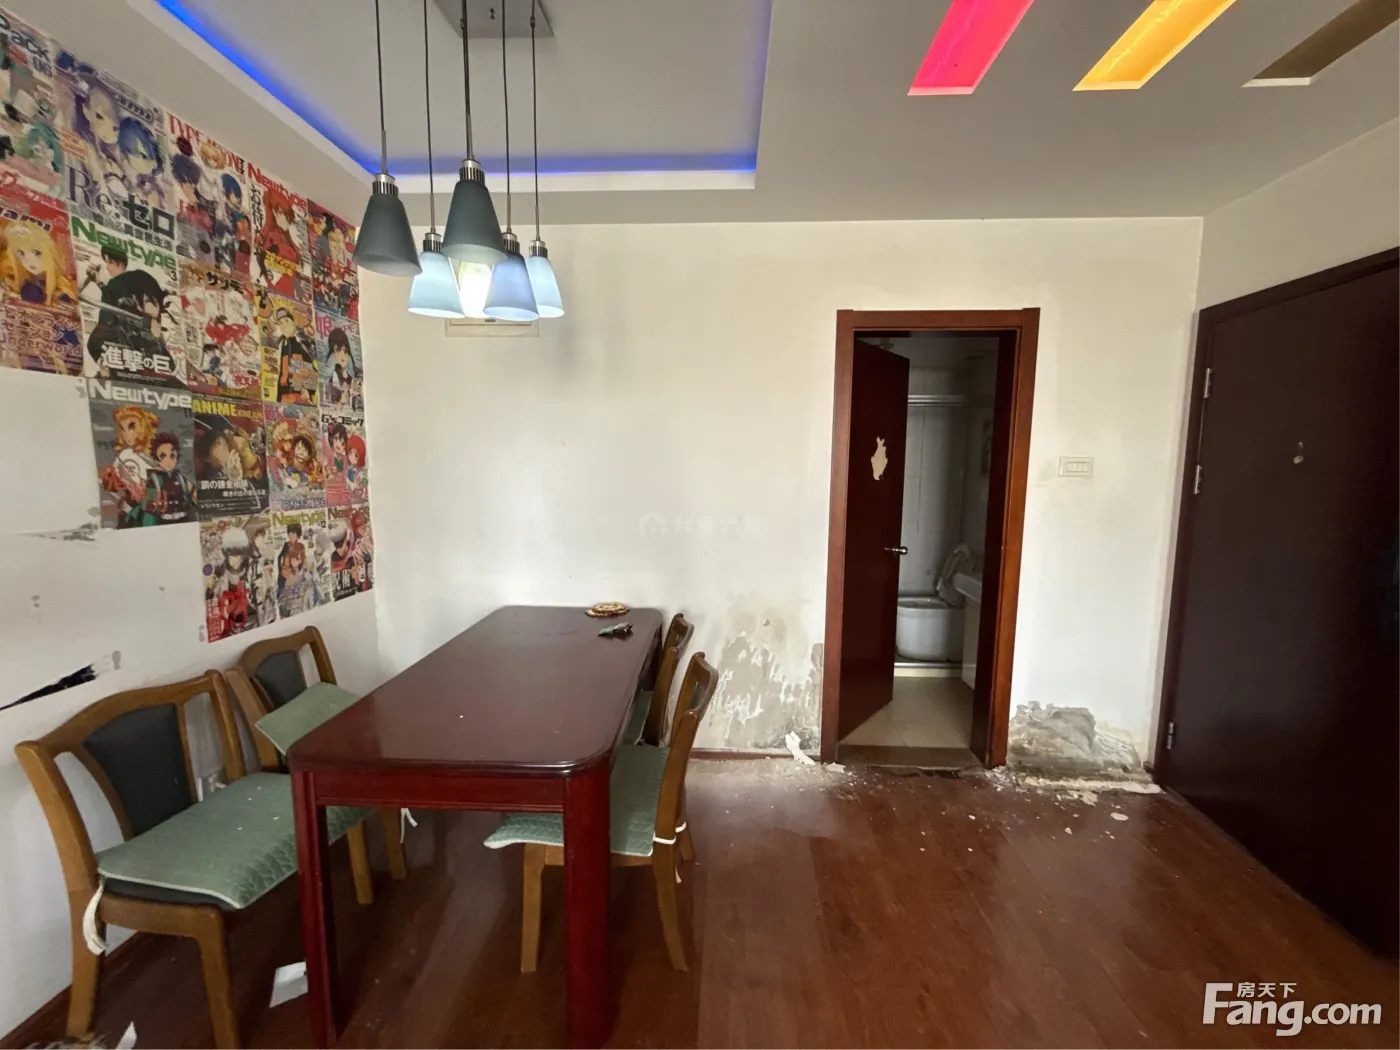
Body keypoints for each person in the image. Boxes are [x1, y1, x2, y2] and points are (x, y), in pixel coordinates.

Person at [124, 430, 193, 527]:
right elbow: (150, 507)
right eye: (162, 456)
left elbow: (192, 496)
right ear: (156, 458)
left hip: (183, 521)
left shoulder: (181, 478)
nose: (168, 461)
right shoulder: (155, 479)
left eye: (172, 456)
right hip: (162, 523)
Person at [2, 221, 77, 306]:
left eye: (36, 253)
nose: (28, 260)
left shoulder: (62, 294)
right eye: (21, 253)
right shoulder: (15, 281)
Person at [273, 307, 315, 403]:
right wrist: (278, 400)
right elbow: (282, 374)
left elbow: (313, 371)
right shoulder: (283, 347)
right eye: (281, 323)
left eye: (286, 321)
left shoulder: (301, 347)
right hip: (284, 397)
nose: (284, 326)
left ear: (293, 323)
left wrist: (309, 391)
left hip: (299, 397)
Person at [323, 327, 357, 407]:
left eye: (344, 351)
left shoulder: (353, 376)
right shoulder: (333, 376)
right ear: (332, 354)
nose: (342, 355)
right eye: (337, 350)